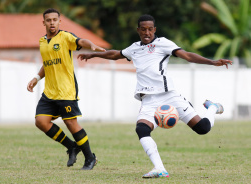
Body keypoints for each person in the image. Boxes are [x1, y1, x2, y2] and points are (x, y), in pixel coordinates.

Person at [77, 14, 233, 177]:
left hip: (169, 96)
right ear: (138, 30)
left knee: (203, 128)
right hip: (148, 100)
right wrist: (93, 54)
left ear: (155, 30)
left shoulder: (163, 43)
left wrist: (212, 62)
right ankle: (159, 168)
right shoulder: (134, 48)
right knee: (142, 129)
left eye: (150, 29)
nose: (147, 32)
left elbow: (186, 55)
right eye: (143, 29)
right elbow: (115, 54)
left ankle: (213, 108)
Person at [27, 8, 105, 170]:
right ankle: (71, 146)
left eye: (55, 20)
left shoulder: (65, 37)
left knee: (70, 123)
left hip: (66, 90)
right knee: (41, 121)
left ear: (59, 21)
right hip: (50, 91)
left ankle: (90, 158)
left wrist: (91, 45)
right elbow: (47, 63)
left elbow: (81, 42)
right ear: (44, 23)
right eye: (48, 20)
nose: (52, 23)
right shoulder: (42, 41)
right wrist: (36, 78)